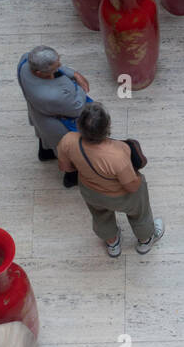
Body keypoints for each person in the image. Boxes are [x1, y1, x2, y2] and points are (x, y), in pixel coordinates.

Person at [58, 102, 164, 258]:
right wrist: (139, 180)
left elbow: (66, 168)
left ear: (78, 124)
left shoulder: (68, 140)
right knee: (140, 213)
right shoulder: (119, 152)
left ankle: (112, 243)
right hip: (120, 196)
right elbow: (132, 187)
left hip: (90, 191)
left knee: (100, 215)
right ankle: (145, 240)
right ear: (108, 127)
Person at [17, 45, 91, 187]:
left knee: (44, 136)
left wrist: (73, 73)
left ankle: (45, 153)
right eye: (55, 67)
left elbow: (58, 68)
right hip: (57, 125)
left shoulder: (25, 61)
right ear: (39, 73)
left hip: (39, 115)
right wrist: (79, 86)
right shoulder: (53, 95)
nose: (60, 67)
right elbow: (76, 108)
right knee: (68, 153)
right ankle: (71, 178)